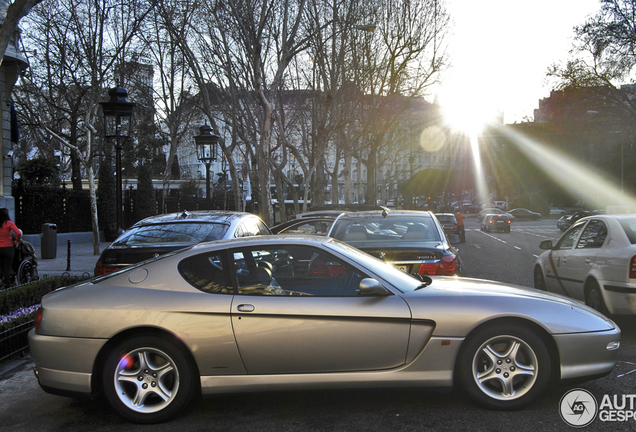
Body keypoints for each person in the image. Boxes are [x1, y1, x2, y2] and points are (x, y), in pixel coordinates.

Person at [0, 208, 21, 286]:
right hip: (8, 248)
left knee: (0, 266)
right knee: (7, 267)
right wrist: (16, 240)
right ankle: (8, 284)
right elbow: (18, 233)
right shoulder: (9, 223)